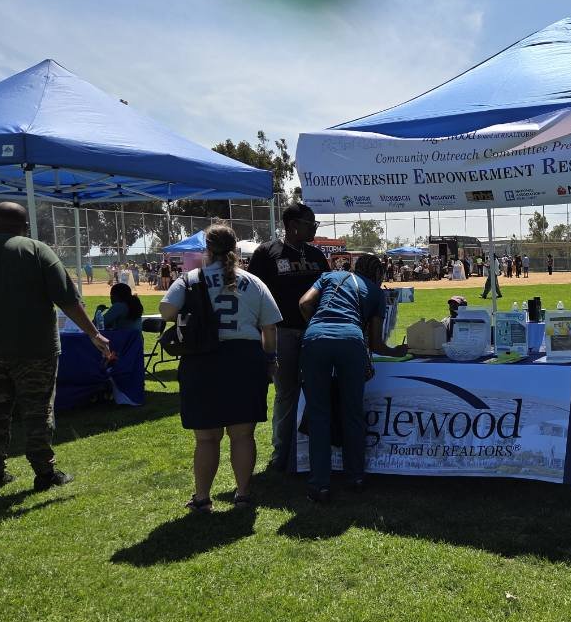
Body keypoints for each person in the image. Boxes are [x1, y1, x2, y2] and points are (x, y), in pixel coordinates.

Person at [0, 202, 110, 491]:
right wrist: (94, 334)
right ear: (25, 226)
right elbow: (68, 301)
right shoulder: (37, 250)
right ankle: (44, 474)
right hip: (36, 350)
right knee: (38, 411)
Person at [159, 224, 281, 512]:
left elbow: (166, 312)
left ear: (207, 251)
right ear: (235, 250)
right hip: (245, 360)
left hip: (202, 361)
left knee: (206, 438)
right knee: (242, 435)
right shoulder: (253, 282)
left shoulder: (190, 279)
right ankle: (242, 494)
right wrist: (270, 359)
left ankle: (202, 498)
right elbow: (270, 329)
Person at [298, 254, 407, 503]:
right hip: (351, 341)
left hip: (315, 339)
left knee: (319, 414)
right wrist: (397, 351)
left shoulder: (329, 276)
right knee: (353, 411)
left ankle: (320, 484)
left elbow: (304, 303)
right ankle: (356, 476)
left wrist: (318, 327)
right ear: (378, 274)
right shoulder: (376, 293)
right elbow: (377, 344)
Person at [246, 203, 329, 473]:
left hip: (315, 332)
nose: (314, 227)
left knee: (318, 390)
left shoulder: (317, 255)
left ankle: (314, 452)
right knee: (286, 393)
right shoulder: (266, 253)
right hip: (281, 333)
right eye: (310, 222)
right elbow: (254, 294)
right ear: (293, 225)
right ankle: (282, 453)